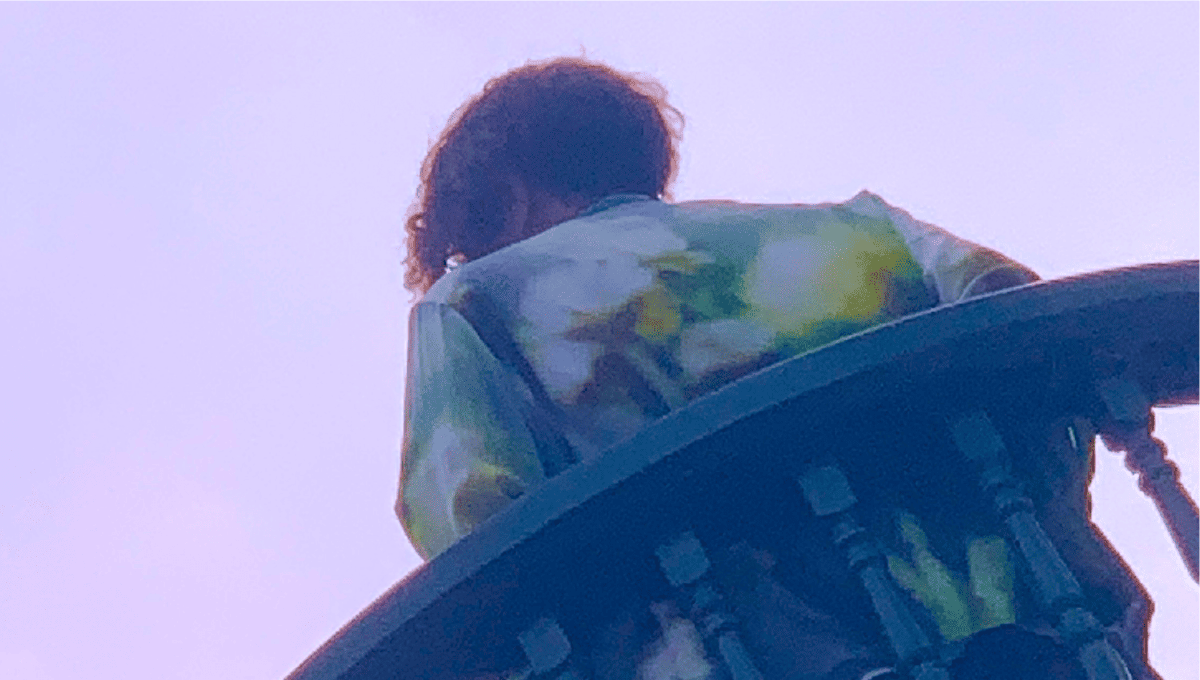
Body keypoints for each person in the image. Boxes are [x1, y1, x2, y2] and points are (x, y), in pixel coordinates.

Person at [394, 57, 1154, 679]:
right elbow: (1030, 340)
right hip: (1049, 643)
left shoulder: (475, 304)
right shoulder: (866, 229)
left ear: (503, 198)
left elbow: (480, 543)